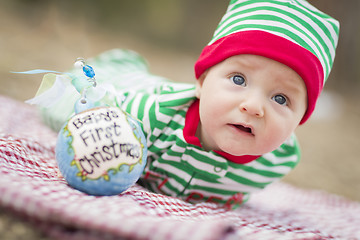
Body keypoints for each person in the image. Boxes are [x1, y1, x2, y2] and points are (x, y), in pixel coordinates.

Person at [34, 0, 339, 209]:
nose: (254, 106)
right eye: (238, 79)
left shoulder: (275, 163)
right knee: (63, 105)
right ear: (202, 82)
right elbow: (88, 127)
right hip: (122, 88)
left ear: (300, 120)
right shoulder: (145, 114)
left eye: (281, 99)